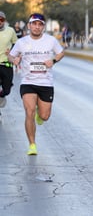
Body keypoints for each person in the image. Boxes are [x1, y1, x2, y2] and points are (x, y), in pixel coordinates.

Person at [8, 13, 65, 155]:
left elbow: (60, 53)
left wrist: (53, 61)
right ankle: (32, 144)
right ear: (29, 25)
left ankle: (41, 113)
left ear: (43, 27)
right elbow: (11, 55)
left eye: (40, 24)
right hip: (28, 82)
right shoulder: (22, 42)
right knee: (29, 112)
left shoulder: (51, 40)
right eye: (34, 24)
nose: (37, 27)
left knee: (45, 116)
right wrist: (13, 60)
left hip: (46, 83)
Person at [0, 11, 18, 108]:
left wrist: (12, 53)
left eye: (1, 19)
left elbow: (16, 44)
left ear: (4, 20)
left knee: (7, 91)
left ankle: (1, 96)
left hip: (6, 65)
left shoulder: (10, 31)